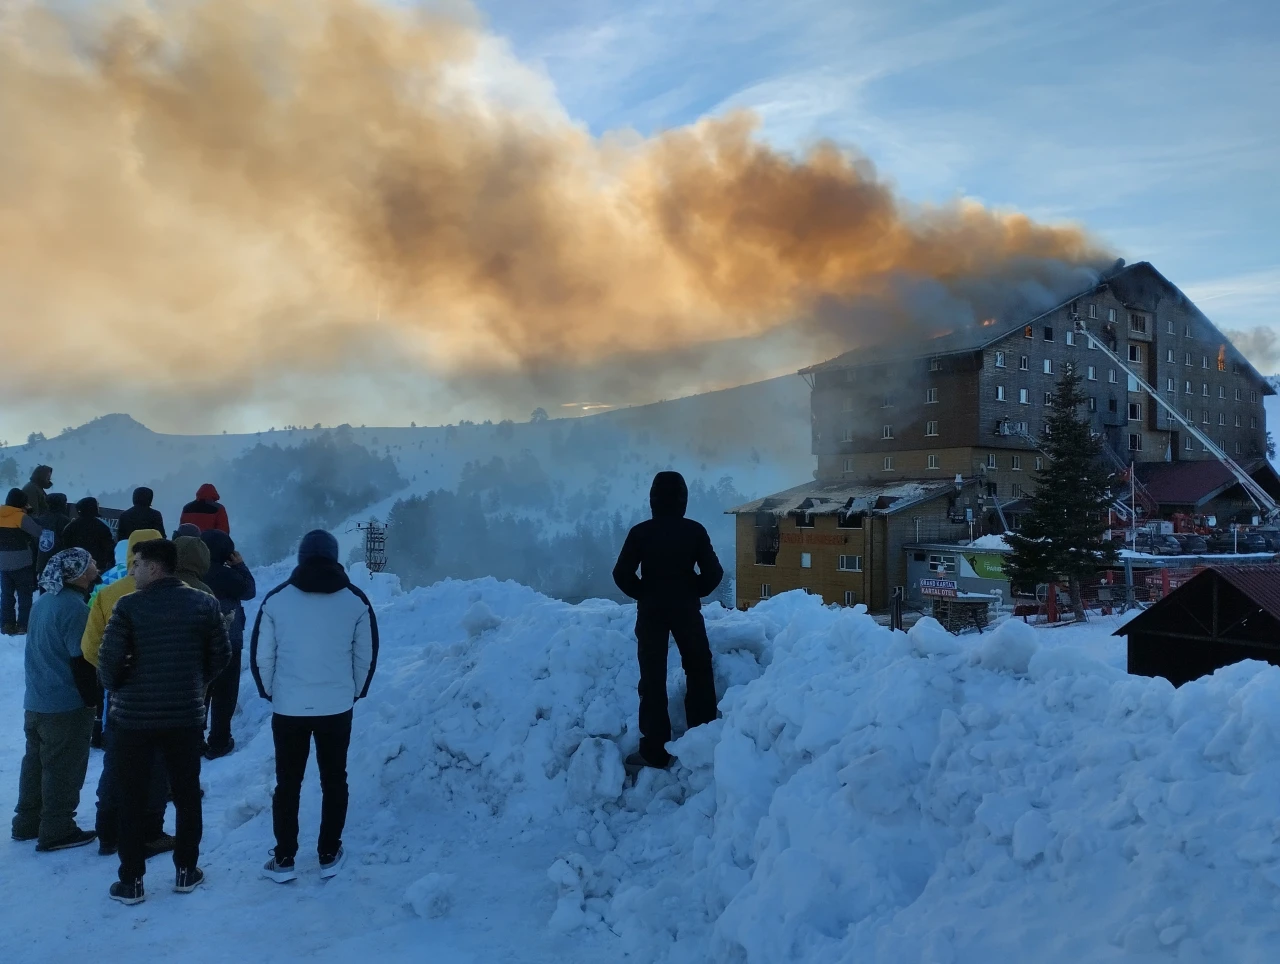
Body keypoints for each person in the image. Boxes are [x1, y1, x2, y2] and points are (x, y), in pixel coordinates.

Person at [98, 538, 231, 905]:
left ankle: (132, 881)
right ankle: (187, 871)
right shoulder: (204, 604)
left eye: (137, 563)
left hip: (133, 722)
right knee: (187, 795)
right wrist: (194, 681)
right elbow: (222, 654)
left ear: (155, 567)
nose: (133, 570)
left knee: (132, 796)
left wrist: (122, 683)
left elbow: (107, 667)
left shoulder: (128, 607)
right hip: (185, 718)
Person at [251, 530, 377, 883]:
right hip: (336, 708)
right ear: (335, 557)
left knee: (288, 783)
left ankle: (284, 858)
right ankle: (328, 852)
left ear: (301, 557)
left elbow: (263, 656)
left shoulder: (277, 600)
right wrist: (352, 693)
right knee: (334, 779)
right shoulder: (355, 601)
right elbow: (365, 656)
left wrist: (272, 693)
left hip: (288, 708)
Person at [612, 471, 724, 770]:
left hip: (651, 612)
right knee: (698, 669)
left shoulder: (640, 532)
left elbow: (621, 574)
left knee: (652, 678)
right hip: (687, 609)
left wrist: (645, 594)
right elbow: (714, 573)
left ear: (652, 500)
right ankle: (701, 739)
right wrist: (691, 592)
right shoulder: (694, 531)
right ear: (683, 500)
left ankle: (654, 751)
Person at [81, 528, 172, 858]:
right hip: (164, 697)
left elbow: (90, 648)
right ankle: (150, 832)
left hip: (119, 695)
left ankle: (107, 831)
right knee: (157, 764)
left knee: (116, 760)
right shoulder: (180, 591)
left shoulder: (107, 594)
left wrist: (114, 676)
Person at [12, 549, 101, 851]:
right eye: (90, 563)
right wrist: (92, 700)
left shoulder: (44, 602)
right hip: (65, 704)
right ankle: (57, 828)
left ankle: (27, 822)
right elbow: (82, 661)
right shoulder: (76, 609)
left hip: (36, 700)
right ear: (77, 573)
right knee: (63, 767)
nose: (95, 565)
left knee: (35, 762)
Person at [201, 531, 256, 759]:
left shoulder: (194, 574)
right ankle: (219, 740)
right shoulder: (228, 575)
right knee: (225, 694)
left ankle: (194, 739)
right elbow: (249, 591)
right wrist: (240, 566)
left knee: (200, 692)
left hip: (198, 643)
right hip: (229, 641)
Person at [2, 488, 42, 635]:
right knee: (25, 595)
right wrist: (29, 513)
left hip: (3, 562)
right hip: (22, 562)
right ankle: (23, 625)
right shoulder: (20, 517)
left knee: (6, 595)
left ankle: (7, 624)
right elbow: (38, 532)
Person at [60, 498, 115, 575]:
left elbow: (65, 546)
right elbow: (109, 548)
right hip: (97, 567)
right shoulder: (102, 527)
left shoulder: (70, 527)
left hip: (75, 566)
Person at [35, 493, 73, 576]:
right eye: (65, 503)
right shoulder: (65, 521)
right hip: (59, 562)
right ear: (61, 504)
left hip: (42, 562)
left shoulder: (40, 519)